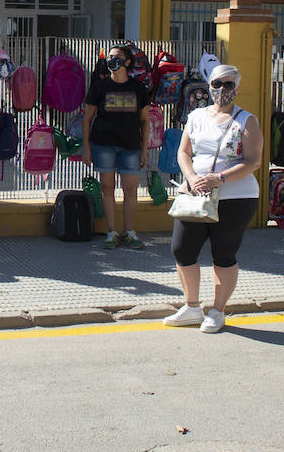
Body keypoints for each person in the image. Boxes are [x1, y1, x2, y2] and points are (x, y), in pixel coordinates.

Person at [164, 64, 263, 334]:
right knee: (182, 249)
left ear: (236, 89)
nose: (222, 90)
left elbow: (254, 161)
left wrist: (220, 178)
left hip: (234, 197)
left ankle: (218, 311)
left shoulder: (246, 120)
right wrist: (192, 177)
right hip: (195, 194)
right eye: (217, 84)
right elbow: (184, 152)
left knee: (223, 254)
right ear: (209, 86)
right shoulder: (196, 116)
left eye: (228, 85)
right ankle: (192, 306)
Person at [82, 43, 150, 248]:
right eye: (110, 56)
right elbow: (87, 118)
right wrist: (86, 147)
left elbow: (145, 121)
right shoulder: (99, 86)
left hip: (130, 146)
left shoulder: (138, 87)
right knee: (107, 187)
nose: (112, 60)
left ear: (127, 62)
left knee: (130, 190)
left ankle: (129, 231)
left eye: (117, 57)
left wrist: (144, 149)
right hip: (103, 145)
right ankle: (112, 232)